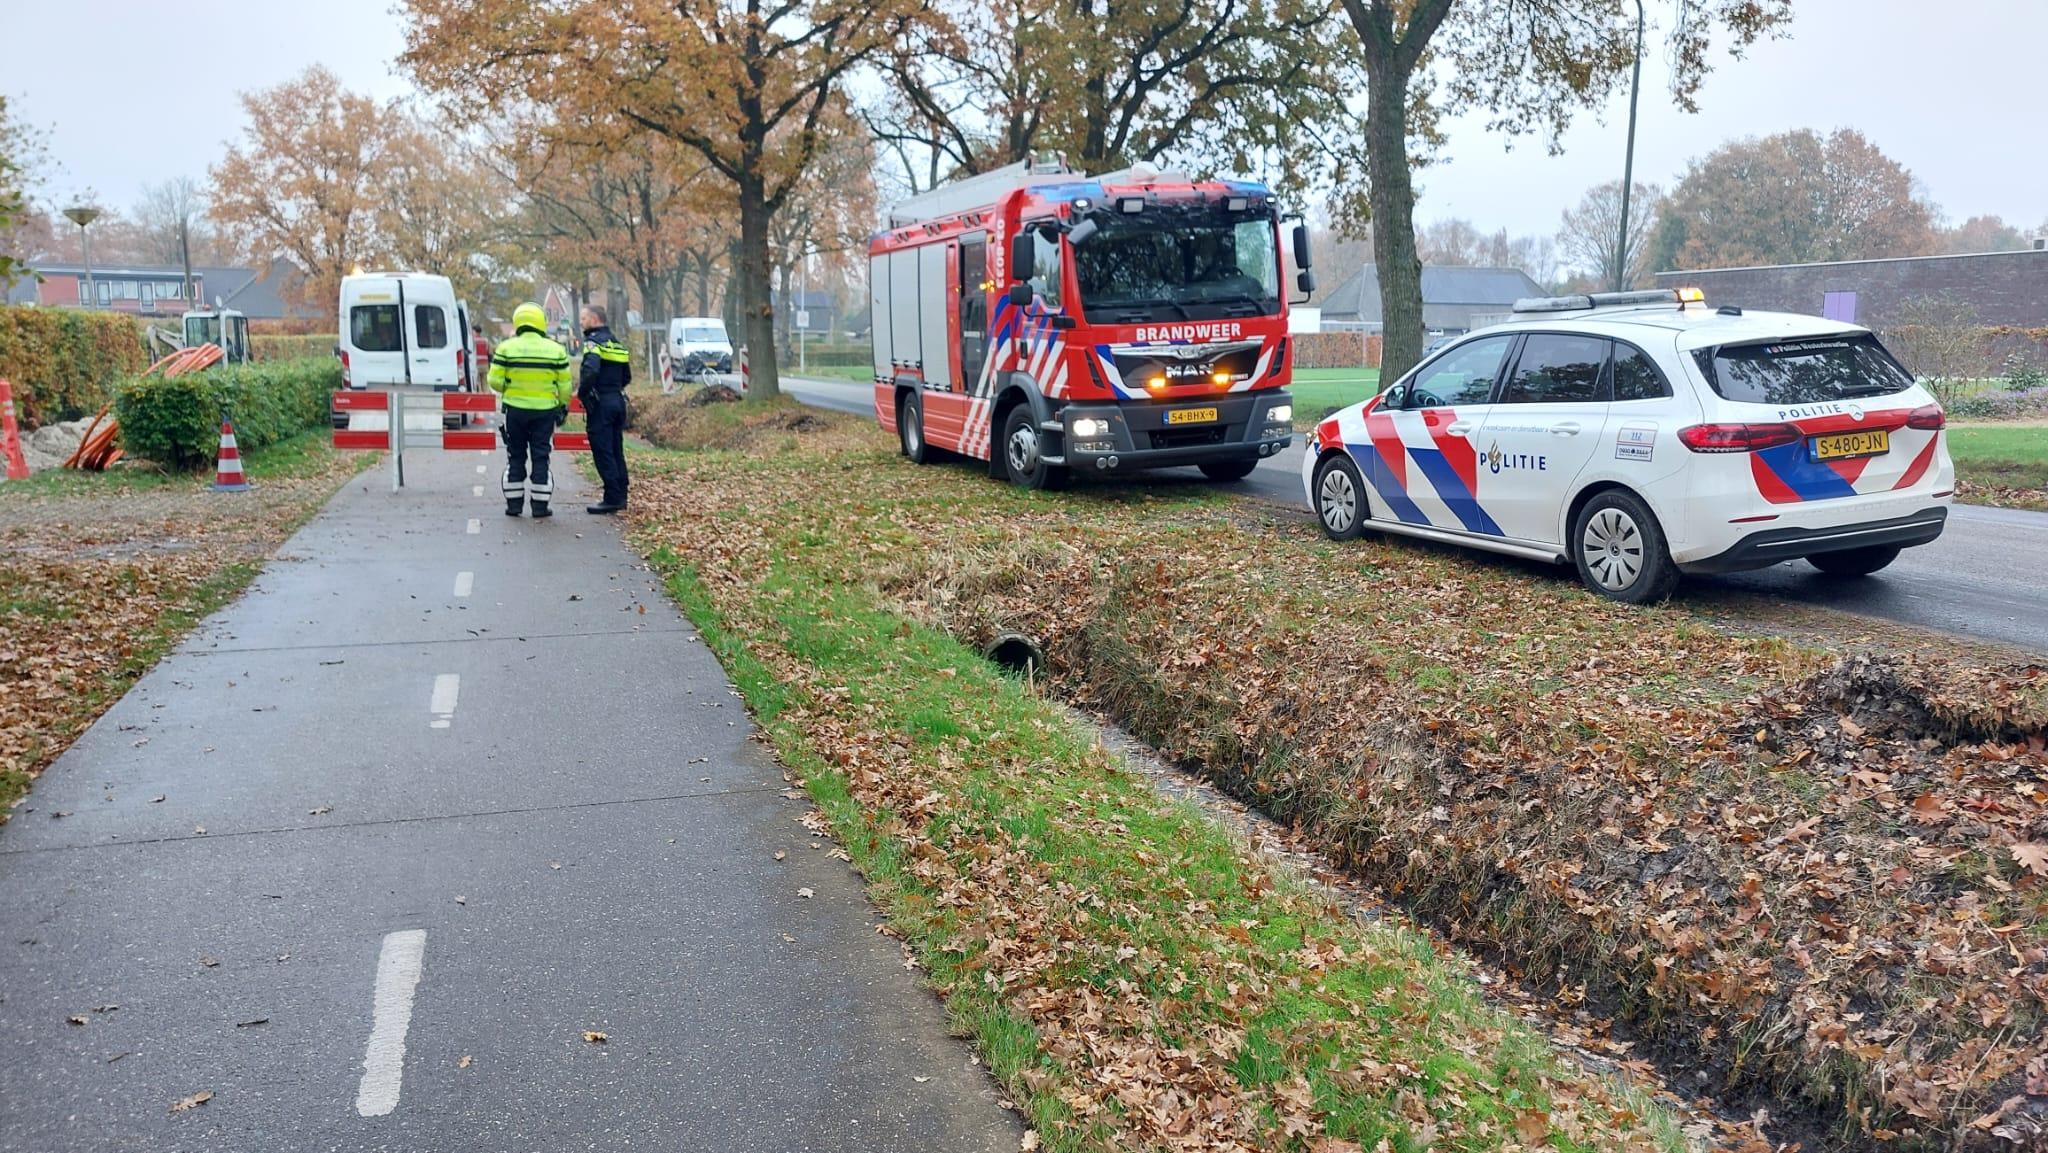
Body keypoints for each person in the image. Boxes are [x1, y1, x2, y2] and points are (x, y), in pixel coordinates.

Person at [487, 302, 574, 518]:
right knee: (541, 456)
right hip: (545, 413)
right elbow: (565, 386)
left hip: (515, 411)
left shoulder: (506, 348)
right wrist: (563, 407)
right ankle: (540, 507)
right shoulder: (556, 350)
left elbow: (494, 382)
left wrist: (511, 384)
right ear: (541, 323)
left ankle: (514, 506)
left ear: (518, 321)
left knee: (515, 456)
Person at [578, 304, 632, 514]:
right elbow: (627, 376)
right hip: (617, 400)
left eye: (583, 318)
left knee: (603, 450)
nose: (581, 322)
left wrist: (584, 393)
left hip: (601, 403)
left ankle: (612, 498)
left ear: (594, 319)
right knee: (616, 449)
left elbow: (590, 370)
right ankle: (621, 494)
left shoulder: (593, 343)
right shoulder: (617, 343)